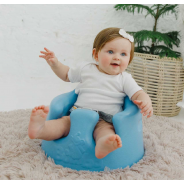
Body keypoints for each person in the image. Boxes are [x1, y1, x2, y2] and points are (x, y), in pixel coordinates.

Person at [28, 27, 153, 159]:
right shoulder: (86, 69)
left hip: (105, 119)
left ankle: (103, 145)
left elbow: (138, 93)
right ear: (96, 54)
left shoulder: (124, 79)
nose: (117, 57)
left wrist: (145, 101)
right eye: (110, 51)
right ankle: (41, 129)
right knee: (62, 125)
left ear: (129, 59)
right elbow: (66, 75)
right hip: (77, 113)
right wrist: (55, 64)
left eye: (123, 54)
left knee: (106, 132)